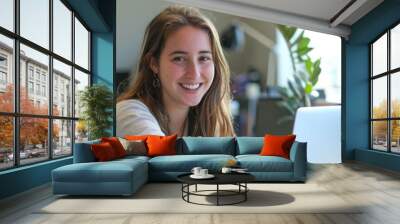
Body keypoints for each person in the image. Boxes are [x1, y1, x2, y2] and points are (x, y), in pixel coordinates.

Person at [117, 5, 235, 137]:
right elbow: (164, 154)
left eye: (204, 58)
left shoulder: (208, 124)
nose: (194, 73)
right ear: (154, 63)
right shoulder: (128, 113)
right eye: (179, 58)